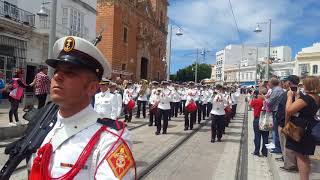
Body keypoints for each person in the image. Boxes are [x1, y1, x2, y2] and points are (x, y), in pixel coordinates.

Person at [28, 36, 135, 179]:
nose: (58, 77)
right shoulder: (42, 127)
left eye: (70, 72)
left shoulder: (110, 139)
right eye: (57, 71)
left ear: (91, 88)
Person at [285, 76, 320, 180]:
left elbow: (289, 110)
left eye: (303, 84)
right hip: (308, 127)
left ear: (308, 85)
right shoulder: (317, 97)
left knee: (301, 157)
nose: (302, 85)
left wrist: (290, 97)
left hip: (301, 129)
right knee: (305, 156)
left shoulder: (307, 98)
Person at [276, 75, 299, 172]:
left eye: (285, 82)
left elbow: (288, 110)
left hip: (286, 123)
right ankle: (288, 161)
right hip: (286, 122)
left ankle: (289, 165)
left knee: (286, 144)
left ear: (289, 83)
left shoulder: (291, 94)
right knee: (286, 144)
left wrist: (285, 123)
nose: (283, 84)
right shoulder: (292, 93)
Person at [266, 77, 284, 154]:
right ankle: (277, 145)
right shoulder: (277, 89)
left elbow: (270, 101)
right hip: (276, 110)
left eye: (269, 82)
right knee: (275, 129)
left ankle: (278, 147)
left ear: (272, 83)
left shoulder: (276, 90)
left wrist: (265, 99)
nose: (268, 84)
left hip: (276, 111)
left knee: (276, 129)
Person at [250, 90, 269, 157]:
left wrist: (253, 97)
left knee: (257, 136)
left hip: (257, 119)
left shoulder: (256, 100)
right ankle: (265, 152)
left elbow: (251, 105)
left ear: (260, 94)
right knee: (265, 137)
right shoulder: (268, 101)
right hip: (266, 120)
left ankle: (256, 151)